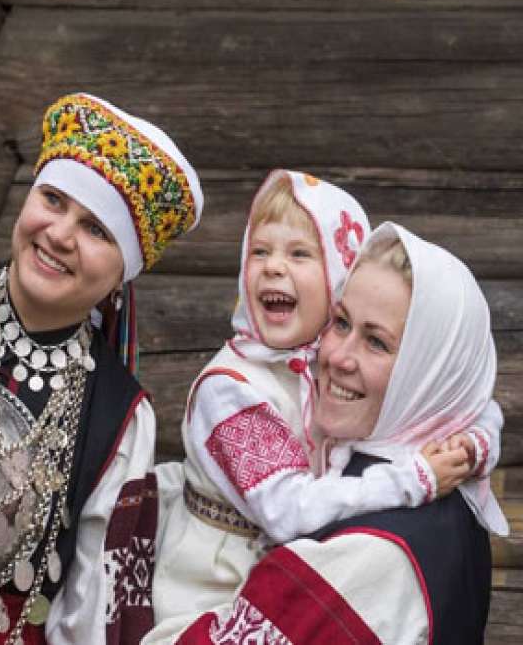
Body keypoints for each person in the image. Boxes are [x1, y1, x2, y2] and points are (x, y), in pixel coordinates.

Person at [145, 172, 500, 642]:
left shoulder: (367, 555)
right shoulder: (440, 483)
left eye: (376, 341)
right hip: (200, 586)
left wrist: (471, 447)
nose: (334, 356)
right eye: (341, 322)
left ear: (431, 373)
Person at [0, 92, 205, 645]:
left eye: (97, 229)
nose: (61, 234)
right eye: (53, 200)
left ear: (124, 272)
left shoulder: (118, 417)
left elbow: (93, 612)